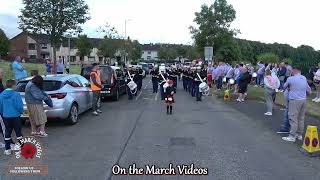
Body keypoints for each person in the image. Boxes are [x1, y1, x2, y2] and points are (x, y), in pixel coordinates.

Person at [282, 67, 311, 142]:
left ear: (294, 71)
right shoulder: (304, 78)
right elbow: (309, 90)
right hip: (303, 100)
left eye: (292, 71)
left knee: (293, 117)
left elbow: (284, 87)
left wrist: (289, 88)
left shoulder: (290, 79)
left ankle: (292, 136)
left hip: (294, 100)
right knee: (301, 118)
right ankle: (299, 134)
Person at [0, 80, 23, 155]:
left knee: (7, 131)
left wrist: (3, 113)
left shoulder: (1, 94)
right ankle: (22, 148)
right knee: (18, 132)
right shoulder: (16, 94)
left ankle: (7, 149)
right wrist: (21, 112)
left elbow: (0, 106)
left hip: (6, 116)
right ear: (13, 86)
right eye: (15, 85)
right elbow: (19, 106)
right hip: (16, 116)